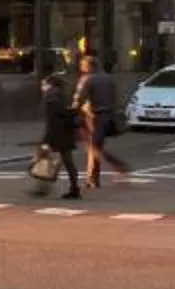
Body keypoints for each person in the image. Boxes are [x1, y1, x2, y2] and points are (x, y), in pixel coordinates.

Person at [39, 67, 85, 201]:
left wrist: (47, 139)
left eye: (44, 84)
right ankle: (72, 188)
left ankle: (44, 187)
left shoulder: (52, 98)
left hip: (59, 134)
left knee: (47, 160)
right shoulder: (62, 95)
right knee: (64, 161)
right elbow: (67, 112)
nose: (42, 87)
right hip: (65, 132)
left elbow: (54, 119)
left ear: (51, 84)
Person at [77, 52, 121, 190]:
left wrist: (73, 110)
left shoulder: (87, 79)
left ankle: (115, 167)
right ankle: (93, 179)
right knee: (95, 146)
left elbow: (79, 99)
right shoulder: (109, 79)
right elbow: (115, 98)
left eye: (83, 65)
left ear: (90, 66)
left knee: (93, 148)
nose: (81, 68)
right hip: (107, 115)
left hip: (93, 116)